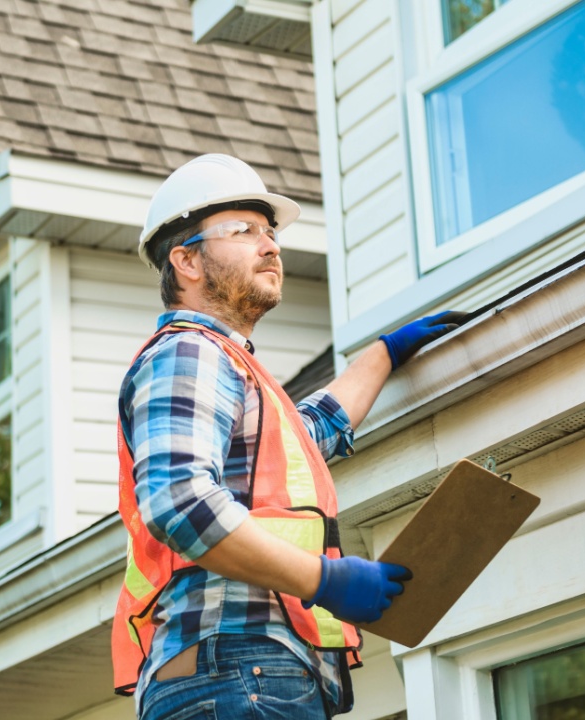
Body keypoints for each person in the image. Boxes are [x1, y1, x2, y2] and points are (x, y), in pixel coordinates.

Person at [112, 154, 467, 719]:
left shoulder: (232, 368)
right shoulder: (190, 351)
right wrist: (325, 579)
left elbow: (309, 433)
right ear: (186, 261)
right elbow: (180, 503)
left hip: (241, 671)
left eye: (270, 231)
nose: (271, 245)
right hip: (236, 665)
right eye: (245, 230)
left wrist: (383, 354)